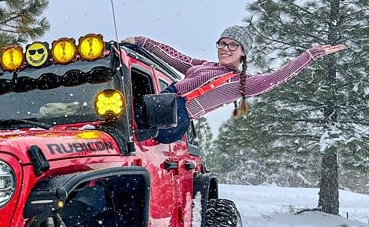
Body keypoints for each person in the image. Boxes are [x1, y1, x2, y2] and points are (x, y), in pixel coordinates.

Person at [123, 26, 345, 143]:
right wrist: (143, 42)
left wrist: (311, 54)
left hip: (174, 116)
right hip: (162, 104)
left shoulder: (241, 83)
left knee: (126, 130)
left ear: (243, 53)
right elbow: (176, 57)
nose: (225, 48)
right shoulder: (204, 66)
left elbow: (278, 76)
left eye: (233, 45)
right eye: (223, 43)